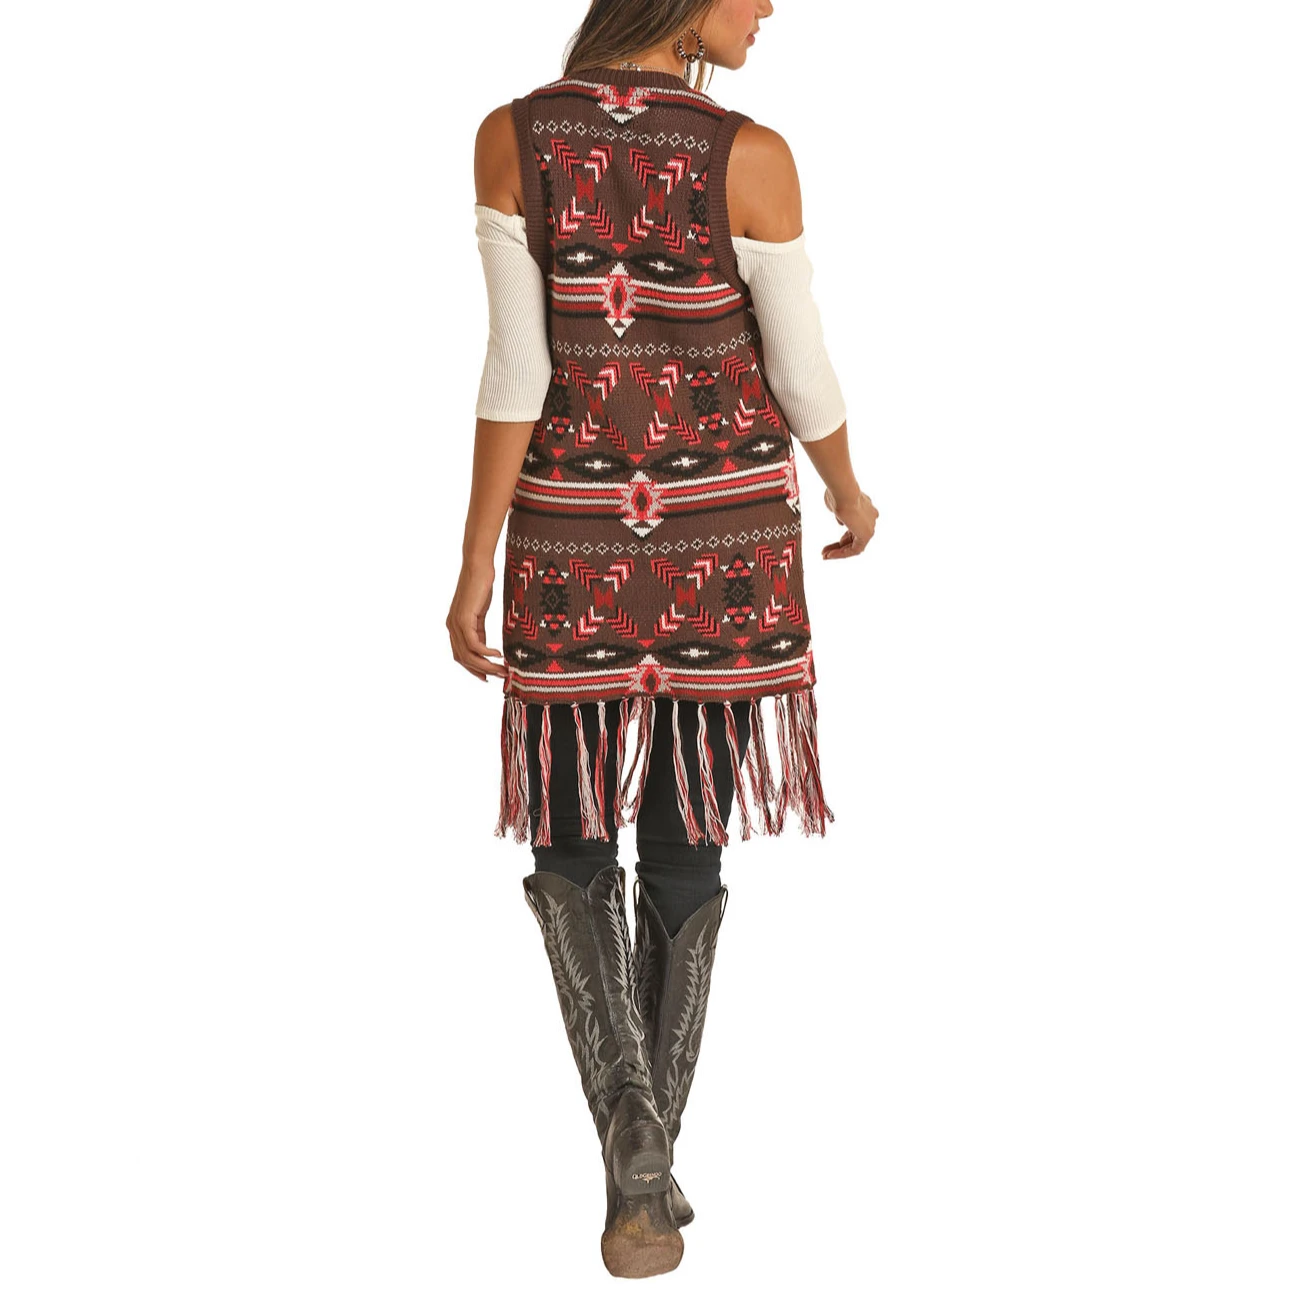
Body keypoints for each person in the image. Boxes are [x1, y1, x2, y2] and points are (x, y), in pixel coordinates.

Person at [447, 0, 878, 1278]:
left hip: (570, 541)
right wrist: (850, 492)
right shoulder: (751, 155)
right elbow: (798, 372)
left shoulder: (512, 137)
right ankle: (641, 1175)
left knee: (571, 839)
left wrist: (475, 559)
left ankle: (635, 1147)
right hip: (723, 545)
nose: (771, 9)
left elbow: (516, 371)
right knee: (686, 842)